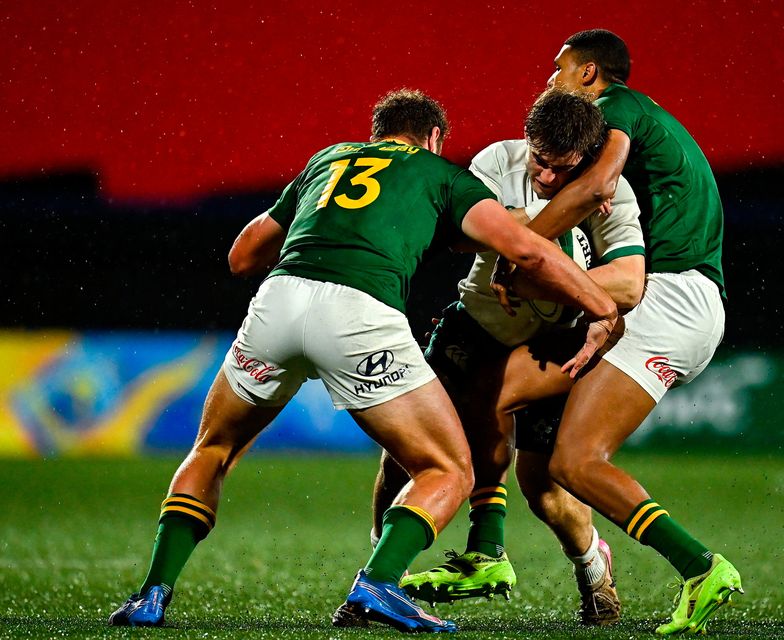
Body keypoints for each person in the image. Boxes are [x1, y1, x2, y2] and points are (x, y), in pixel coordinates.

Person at [106, 89, 619, 633]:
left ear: (376, 133)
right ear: (434, 138)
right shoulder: (442, 175)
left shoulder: (328, 159)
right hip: (358, 312)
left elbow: (241, 256)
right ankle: (377, 584)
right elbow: (529, 251)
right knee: (448, 468)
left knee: (213, 448)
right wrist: (602, 306)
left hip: (279, 299)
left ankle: (151, 596)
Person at [484, 29, 744, 636]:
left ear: (591, 74)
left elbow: (598, 186)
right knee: (519, 433)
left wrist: (523, 252)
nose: (550, 79)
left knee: (576, 461)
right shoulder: (631, 127)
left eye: (559, 69)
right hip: (682, 301)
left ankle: (701, 567)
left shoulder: (618, 107)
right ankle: (495, 549)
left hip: (669, 299)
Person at [364, 88, 646, 627]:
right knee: (402, 448)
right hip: (476, 323)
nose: (543, 175)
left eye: (560, 170)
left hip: (556, 343)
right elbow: (460, 236)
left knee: (543, 488)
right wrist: (546, 218)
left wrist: (546, 275)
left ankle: (592, 568)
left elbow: (630, 285)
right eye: (538, 160)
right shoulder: (497, 160)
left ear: (588, 159)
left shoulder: (618, 195)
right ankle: (381, 571)